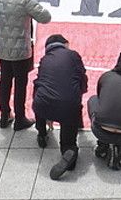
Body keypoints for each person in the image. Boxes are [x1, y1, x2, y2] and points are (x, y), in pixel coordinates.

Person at [0, 0, 51, 130]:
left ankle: (5, 114)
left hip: (1, 48)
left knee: (5, 80)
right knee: (20, 84)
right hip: (20, 50)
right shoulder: (25, 0)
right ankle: (20, 118)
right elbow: (45, 17)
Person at [32, 33, 88, 180]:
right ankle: (69, 154)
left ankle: (42, 134)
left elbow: (39, 82)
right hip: (68, 106)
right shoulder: (73, 55)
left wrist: (47, 115)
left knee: (39, 94)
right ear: (66, 43)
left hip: (42, 105)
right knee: (68, 139)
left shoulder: (45, 60)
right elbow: (82, 78)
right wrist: (79, 97)